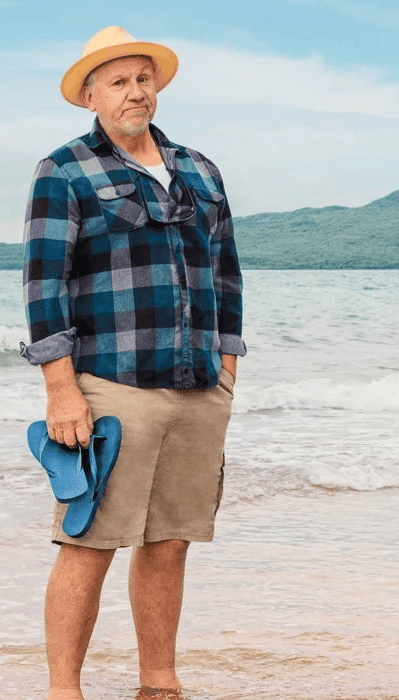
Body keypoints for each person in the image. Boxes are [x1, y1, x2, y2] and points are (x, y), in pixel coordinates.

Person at [19, 25, 246, 700]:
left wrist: (228, 365)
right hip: (112, 384)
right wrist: (62, 391)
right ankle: (65, 691)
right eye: (117, 82)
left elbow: (227, 273)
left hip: (198, 385)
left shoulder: (200, 170)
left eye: (143, 79)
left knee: (171, 541)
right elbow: (43, 286)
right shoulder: (64, 171)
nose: (134, 92)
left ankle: (160, 683)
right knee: (88, 541)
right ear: (90, 95)